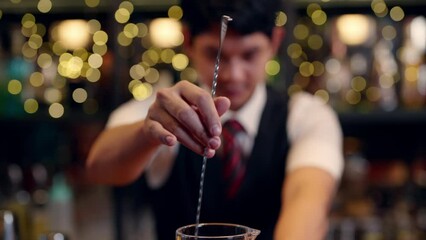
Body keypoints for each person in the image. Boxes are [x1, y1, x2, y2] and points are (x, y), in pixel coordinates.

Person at [86, 0, 344, 239]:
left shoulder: (307, 117)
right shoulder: (161, 109)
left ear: (275, 42)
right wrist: (146, 132)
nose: (233, 75)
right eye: (214, 54)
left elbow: (307, 202)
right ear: (188, 42)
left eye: (249, 55)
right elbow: (99, 167)